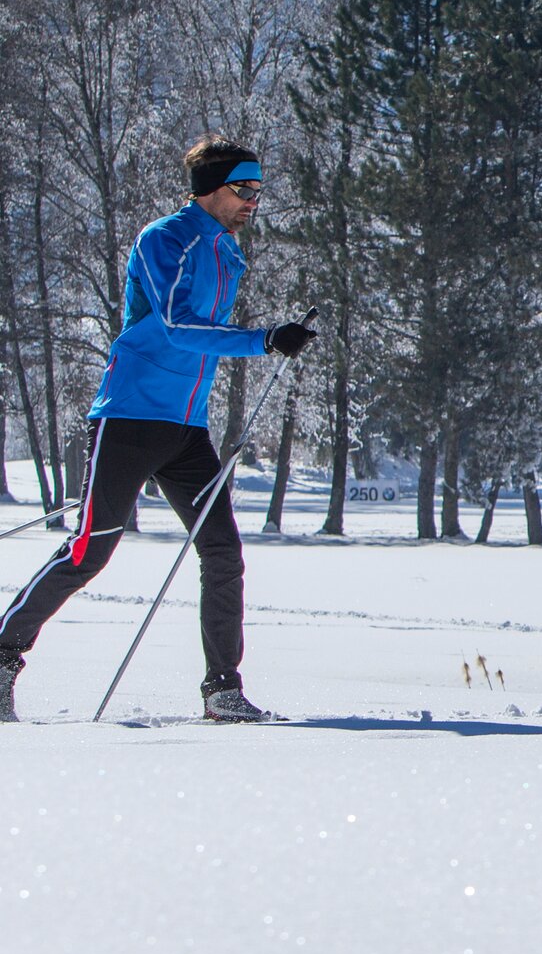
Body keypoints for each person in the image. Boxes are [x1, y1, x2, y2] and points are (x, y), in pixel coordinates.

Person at [0, 136, 317, 724]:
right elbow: (175, 325)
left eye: (259, 190)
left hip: (186, 428)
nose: (254, 200)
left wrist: (270, 338)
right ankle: (2, 655)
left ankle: (222, 690)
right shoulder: (164, 238)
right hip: (128, 418)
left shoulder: (229, 252)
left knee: (223, 551)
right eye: (243, 189)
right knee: (90, 552)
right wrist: (264, 339)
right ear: (210, 189)